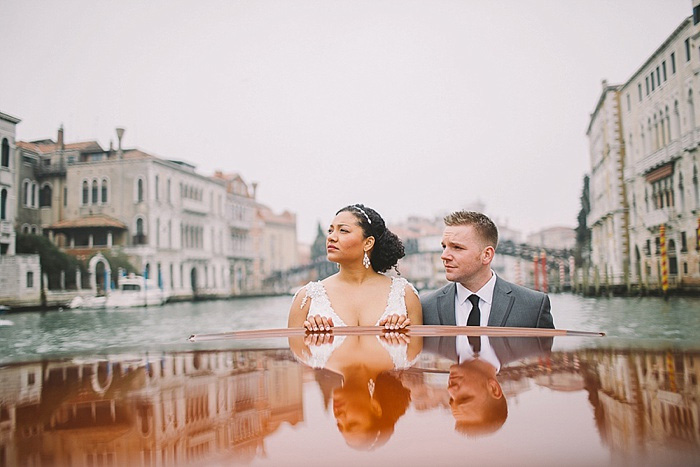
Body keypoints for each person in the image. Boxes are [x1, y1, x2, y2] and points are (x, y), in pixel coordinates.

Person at [288, 204, 422, 331]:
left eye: (343, 230)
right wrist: (312, 338)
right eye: (330, 230)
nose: (331, 237)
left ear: (368, 243)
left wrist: (401, 335)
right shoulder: (306, 298)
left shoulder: (405, 295)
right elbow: (296, 354)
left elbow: (417, 353)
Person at [421, 210, 554, 328]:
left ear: (486, 255)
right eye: (444, 247)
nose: (444, 256)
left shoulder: (533, 306)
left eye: (457, 247)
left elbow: (548, 355)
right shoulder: (425, 307)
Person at [288, 332, 416, 449]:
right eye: (352, 423)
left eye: (339, 425)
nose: (339, 417)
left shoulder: (308, 353)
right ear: (376, 407)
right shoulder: (405, 351)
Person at [423, 334, 552, 435]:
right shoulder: (529, 342)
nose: (450, 389)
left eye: (451, 399)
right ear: (493, 388)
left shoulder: (424, 345)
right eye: (465, 397)